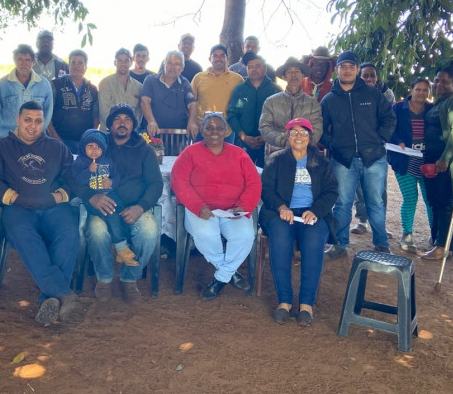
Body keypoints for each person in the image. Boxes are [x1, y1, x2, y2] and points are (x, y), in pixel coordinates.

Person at [0, 101, 79, 325]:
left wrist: (57, 197)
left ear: (43, 122)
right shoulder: (0, 147)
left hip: (52, 207)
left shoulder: (58, 147)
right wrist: (14, 197)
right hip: (18, 207)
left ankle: (50, 299)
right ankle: (63, 293)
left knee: (69, 232)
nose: (32, 126)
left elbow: (71, 180)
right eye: (27, 120)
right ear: (18, 120)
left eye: (38, 121)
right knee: (22, 233)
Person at [171, 113, 262, 300]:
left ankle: (221, 278)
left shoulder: (239, 154)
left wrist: (242, 205)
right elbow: (179, 181)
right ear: (202, 130)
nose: (214, 132)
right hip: (201, 209)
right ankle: (229, 273)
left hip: (232, 210)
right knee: (205, 235)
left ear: (226, 131)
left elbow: (254, 183)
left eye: (219, 128)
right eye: (209, 127)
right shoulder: (189, 153)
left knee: (245, 236)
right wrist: (197, 206)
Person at [81, 103, 164, 303]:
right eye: (117, 119)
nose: (122, 123)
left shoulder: (144, 149)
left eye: (127, 119)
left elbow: (156, 183)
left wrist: (141, 207)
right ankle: (105, 278)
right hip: (102, 208)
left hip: (134, 209)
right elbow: (77, 176)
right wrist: (92, 197)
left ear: (133, 125)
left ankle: (129, 279)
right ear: (109, 124)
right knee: (97, 231)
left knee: (149, 231)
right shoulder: (97, 146)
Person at [261, 118, 337, 327]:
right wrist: (281, 207)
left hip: (312, 214)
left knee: (313, 245)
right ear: (287, 136)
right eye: (293, 132)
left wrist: (316, 211)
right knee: (281, 241)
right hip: (281, 212)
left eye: (303, 132)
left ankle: (306, 304)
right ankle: (284, 301)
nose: (298, 136)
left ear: (310, 137)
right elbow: (266, 189)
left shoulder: (321, 162)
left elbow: (332, 191)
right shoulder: (276, 159)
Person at [321, 51, 396, 259]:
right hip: (343, 160)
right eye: (343, 67)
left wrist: (380, 139)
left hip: (374, 158)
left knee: (375, 202)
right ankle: (339, 244)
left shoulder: (372, 95)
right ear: (337, 70)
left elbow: (389, 119)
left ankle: (381, 243)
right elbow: (319, 129)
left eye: (351, 67)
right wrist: (333, 145)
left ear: (357, 70)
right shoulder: (329, 100)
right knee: (343, 203)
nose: (347, 70)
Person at [72, 129, 138, 266]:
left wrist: (112, 182)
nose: (94, 150)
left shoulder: (107, 161)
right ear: (83, 148)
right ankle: (121, 248)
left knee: (122, 213)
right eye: (90, 146)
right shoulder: (80, 162)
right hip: (92, 200)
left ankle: (122, 243)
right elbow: (77, 181)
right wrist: (88, 171)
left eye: (98, 147)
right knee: (111, 214)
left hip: (109, 194)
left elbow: (116, 176)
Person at [419, 66, 453, 260]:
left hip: (445, 163)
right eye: (437, 80)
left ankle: (442, 247)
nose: (439, 84)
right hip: (432, 160)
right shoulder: (441, 101)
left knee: (445, 203)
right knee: (435, 201)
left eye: (444, 81)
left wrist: (444, 159)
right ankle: (439, 240)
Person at [388, 78, 434, 253]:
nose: (421, 93)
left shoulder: (432, 110)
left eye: (425, 90)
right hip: (404, 161)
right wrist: (398, 141)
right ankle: (407, 235)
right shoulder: (398, 109)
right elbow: (388, 128)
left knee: (430, 199)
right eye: (418, 89)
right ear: (411, 90)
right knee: (410, 197)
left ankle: (434, 234)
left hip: (427, 162)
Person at [350, 61, 396, 236]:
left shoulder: (386, 94)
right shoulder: (352, 93)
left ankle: (380, 225)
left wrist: (380, 138)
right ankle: (362, 221)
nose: (369, 78)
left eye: (372, 75)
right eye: (365, 75)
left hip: (377, 148)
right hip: (356, 147)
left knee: (379, 187)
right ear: (359, 76)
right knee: (359, 186)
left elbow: (389, 119)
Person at [259, 57, 323, 154]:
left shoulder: (313, 103)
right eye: (289, 72)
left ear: (303, 75)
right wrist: (285, 140)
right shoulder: (271, 101)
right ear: (284, 76)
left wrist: (301, 142)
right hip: (277, 154)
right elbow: (264, 127)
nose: (294, 75)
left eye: (297, 71)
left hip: (305, 154)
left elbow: (317, 128)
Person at [227, 52, 281, 166]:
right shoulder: (239, 90)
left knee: (267, 178)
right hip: (243, 142)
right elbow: (232, 115)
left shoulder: (275, 90)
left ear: (265, 68)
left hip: (269, 144)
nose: (254, 70)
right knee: (242, 176)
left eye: (257, 66)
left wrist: (267, 136)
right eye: (250, 67)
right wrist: (243, 136)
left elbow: (280, 117)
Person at [0, 44, 53, 140]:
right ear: (15, 61)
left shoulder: (44, 84)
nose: (24, 63)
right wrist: (4, 129)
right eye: (20, 59)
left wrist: (36, 131)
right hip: (8, 138)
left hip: (35, 138)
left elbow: (48, 112)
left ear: (34, 62)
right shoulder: (2, 85)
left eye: (27, 60)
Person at [190, 44, 245, 144]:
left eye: (222, 55)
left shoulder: (237, 79)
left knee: (225, 159)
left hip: (226, 131)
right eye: (215, 55)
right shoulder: (198, 78)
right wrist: (194, 121)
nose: (218, 58)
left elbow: (242, 103)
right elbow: (190, 102)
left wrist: (235, 121)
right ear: (209, 58)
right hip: (201, 130)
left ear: (227, 58)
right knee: (200, 159)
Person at [140, 50, 200, 140]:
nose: (172, 67)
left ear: (182, 67)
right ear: (164, 64)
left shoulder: (185, 83)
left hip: (179, 137)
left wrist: (192, 122)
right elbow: (144, 101)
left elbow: (192, 104)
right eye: (169, 63)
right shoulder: (151, 80)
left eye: (177, 64)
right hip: (153, 134)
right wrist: (151, 121)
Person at [47, 49, 99, 150]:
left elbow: (95, 117)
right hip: (59, 140)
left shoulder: (92, 89)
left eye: (80, 63)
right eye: (73, 62)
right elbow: (47, 115)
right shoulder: (56, 85)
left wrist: (89, 139)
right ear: (69, 65)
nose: (76, 66)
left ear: (85, 67)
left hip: (84, 143)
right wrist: (57, 140)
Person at [98, 48, 142, 130]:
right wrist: (120, 128)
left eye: (126, 61)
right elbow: (105, 112)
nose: (123, 64)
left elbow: (138, 112)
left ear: (131, 63)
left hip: (130, 135)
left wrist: (132, 128)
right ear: (115, 62)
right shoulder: (105, 83)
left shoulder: (138, 86)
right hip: (109, 135)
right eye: (120, 60)